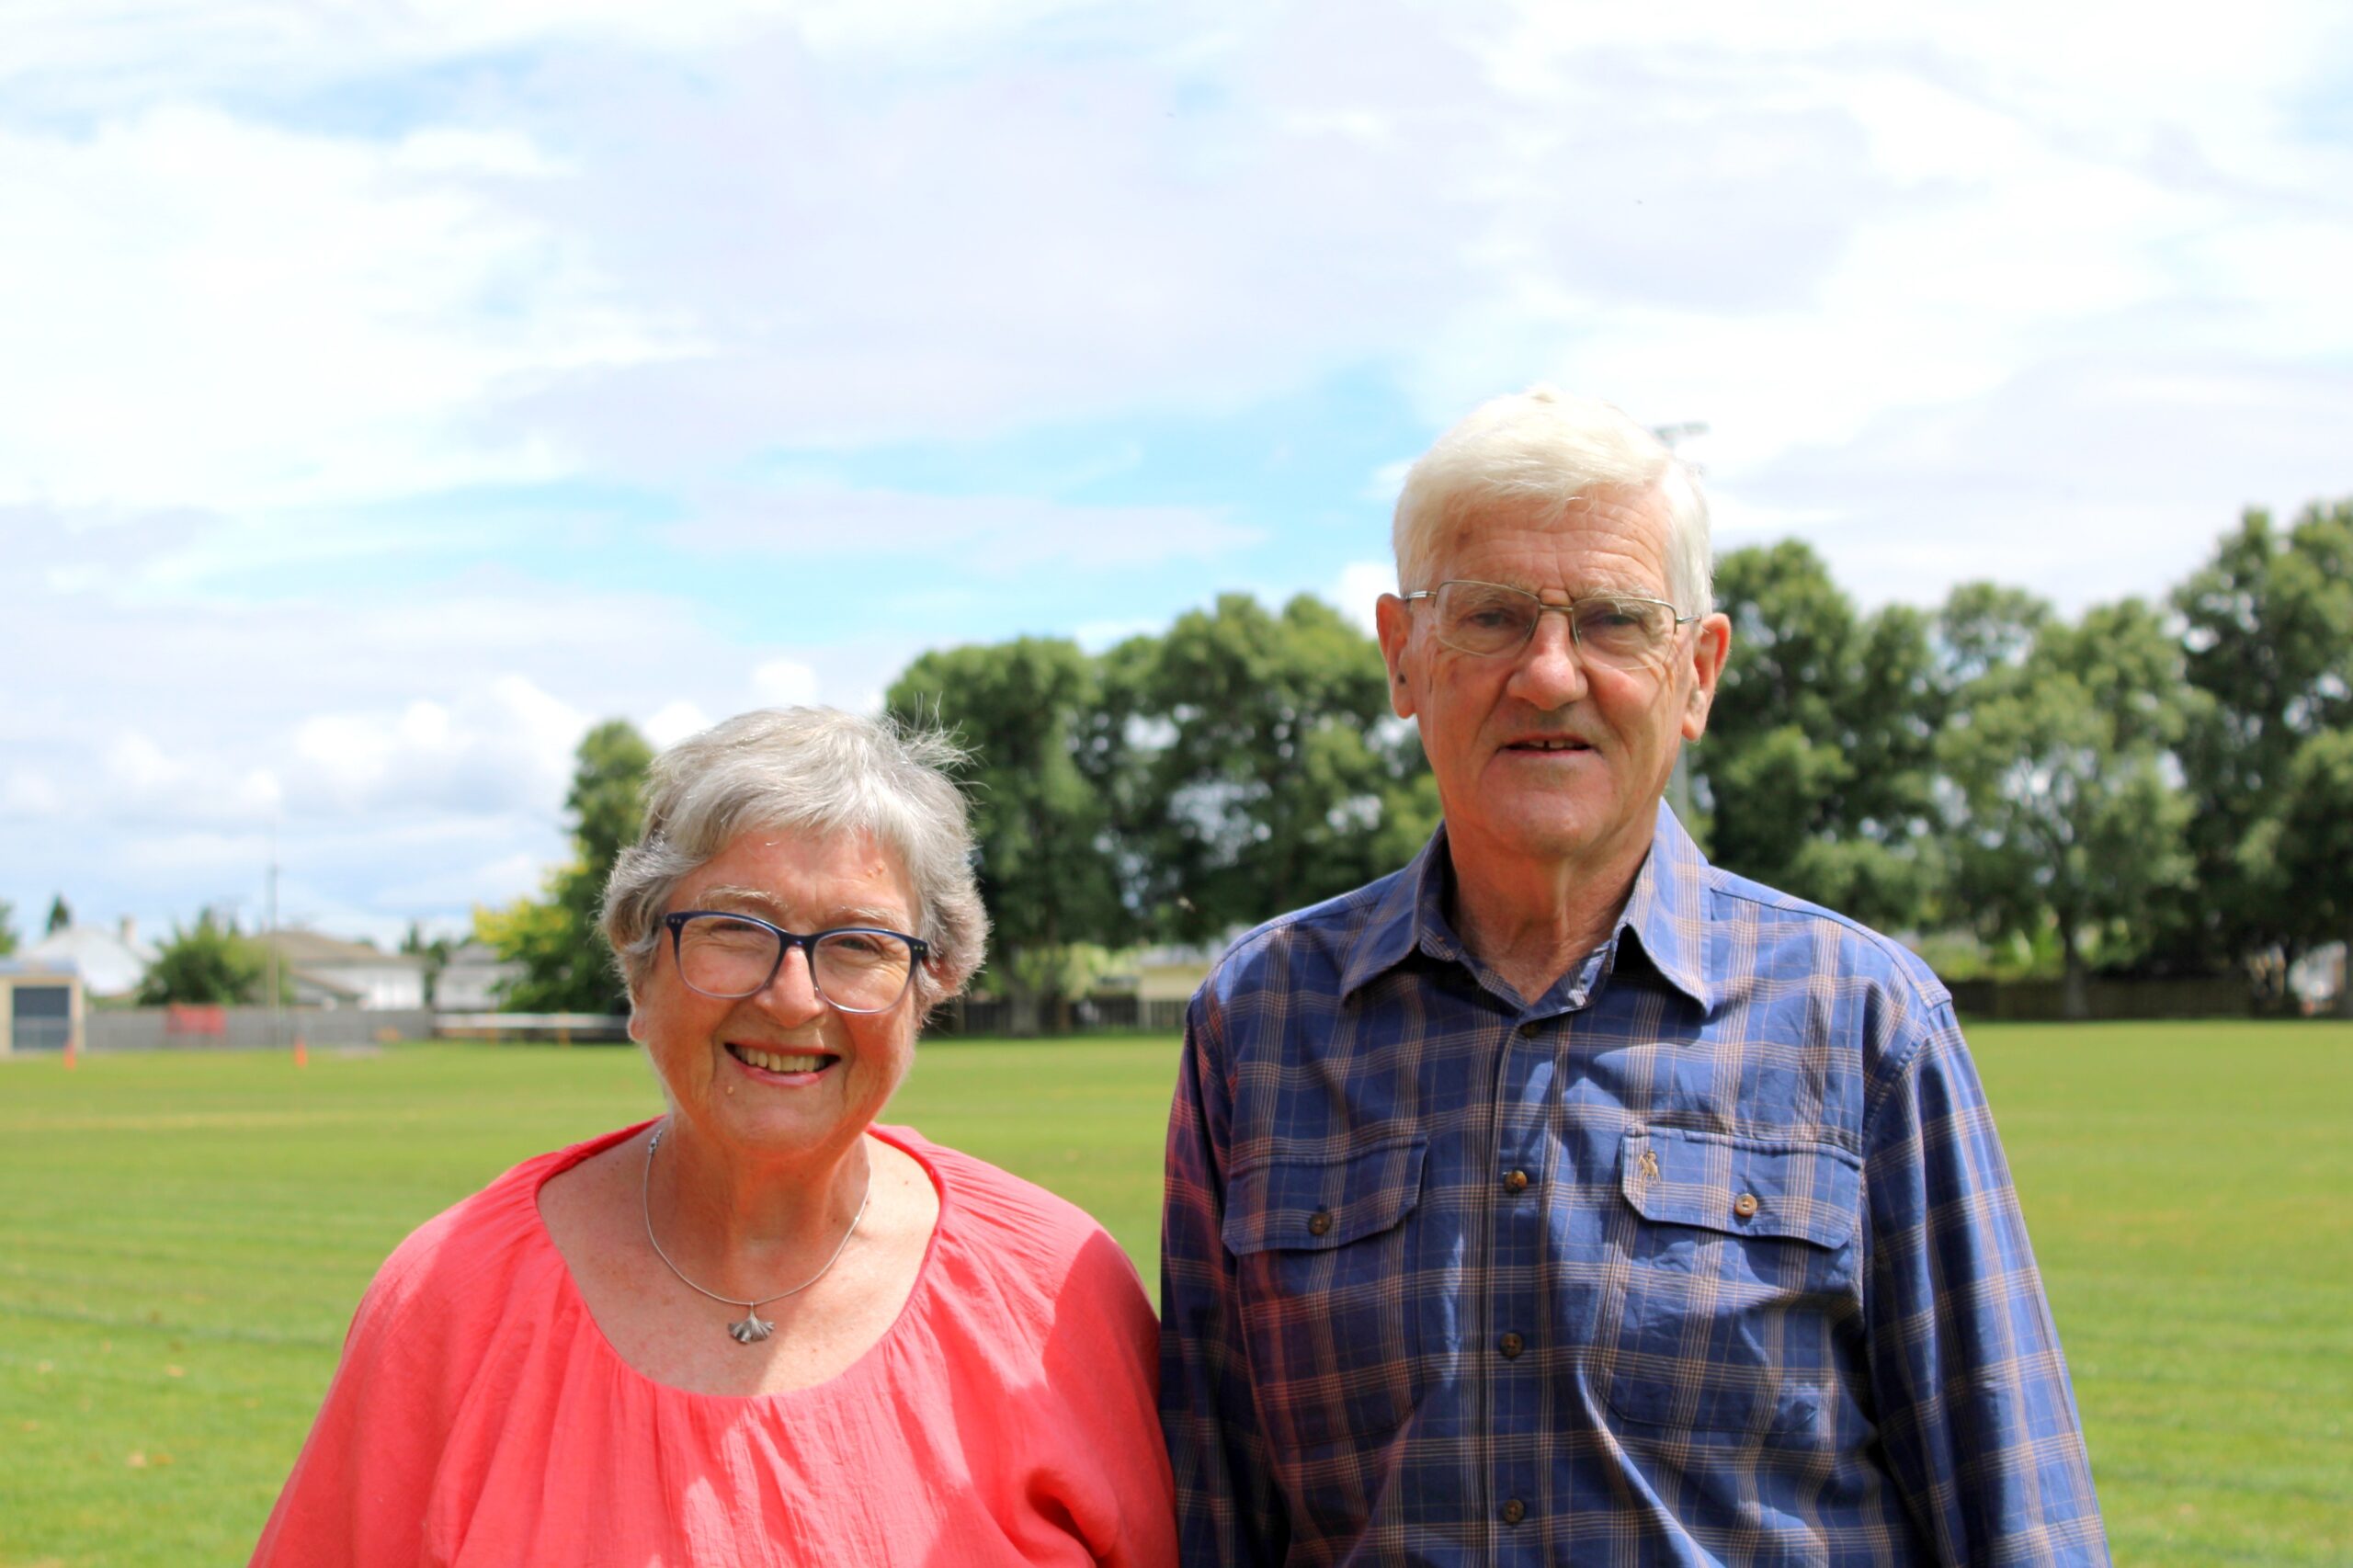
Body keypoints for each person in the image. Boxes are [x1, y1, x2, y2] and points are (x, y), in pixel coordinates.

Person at [1159, 388, 2109, 1564]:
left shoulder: (1862, 1020)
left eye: (1612, 620)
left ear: (1696, 672)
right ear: (1403, 656)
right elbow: (1212, 1516)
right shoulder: (1258, 1025)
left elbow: (2016, 1511)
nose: (1549, 674)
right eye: (1492, 616)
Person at [255, 707, 1176, 1567]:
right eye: (736, 929)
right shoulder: (451, 1302)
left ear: (930, 984)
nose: (792, 995)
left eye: (858, 943)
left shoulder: (1058, 1290)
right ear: (638, 963)